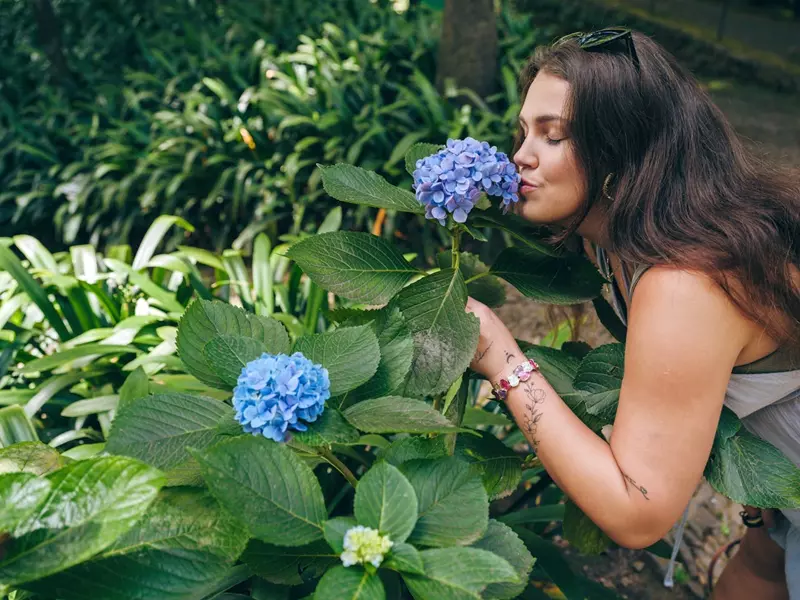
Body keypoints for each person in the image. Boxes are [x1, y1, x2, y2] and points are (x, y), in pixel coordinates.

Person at [466, 28, 800, 599]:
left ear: (623, 150)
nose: (519, 155)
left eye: (553, 135)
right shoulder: (621, 237)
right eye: (524, 131)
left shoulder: (684, 283)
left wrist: (502, 361)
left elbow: (637, 511)